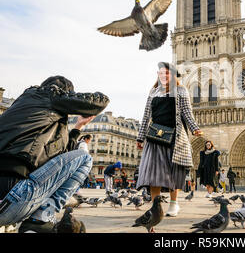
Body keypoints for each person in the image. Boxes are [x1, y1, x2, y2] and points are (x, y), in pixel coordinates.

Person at [0, 75, 109, 233]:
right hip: (13, 201)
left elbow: (62, 159)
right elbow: (100, 101)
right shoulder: (46, 94)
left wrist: (78, 127)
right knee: (84, 158)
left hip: (7, 201)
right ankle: (39, 220)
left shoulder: (21, 110)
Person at [135, 62, 203, 217]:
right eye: (160, 73)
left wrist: (194, 128)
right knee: (154, 174)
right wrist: (140, 137)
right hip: (155, 136)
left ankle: (174, 204)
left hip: (174, 136)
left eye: (166, 73)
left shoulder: (180, 90)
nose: (163, 76)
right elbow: (146, 115)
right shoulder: (153, 92)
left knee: (173, 172)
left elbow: (187, 111)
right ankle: (155, 206)